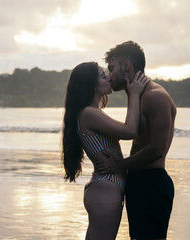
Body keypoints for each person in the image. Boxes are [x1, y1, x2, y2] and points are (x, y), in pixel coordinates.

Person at [61, 61, 149, 240]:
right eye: (103, 76)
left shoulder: (89, 112)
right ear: (91, 85)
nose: (108, 77)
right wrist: (133, 95)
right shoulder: (88, 113)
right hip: (105, 188)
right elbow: (130, 131)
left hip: (106, 187)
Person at [102, 41, 177, 240]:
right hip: (140, 182)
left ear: (127, 65)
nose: (109, 76)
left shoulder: (154, 97)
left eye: (111, 68)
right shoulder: (137, 96)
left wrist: (118, 165)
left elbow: (157, 149)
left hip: (151, 183)